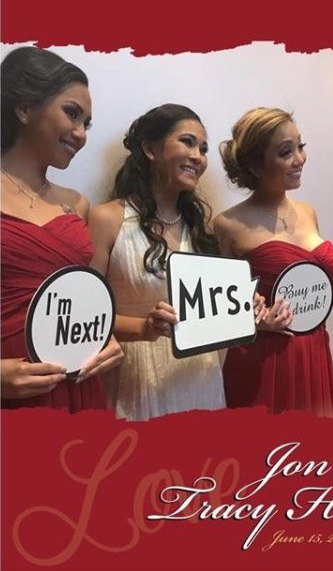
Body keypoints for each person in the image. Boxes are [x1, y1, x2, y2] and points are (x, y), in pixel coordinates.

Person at [214, 107, 333, 416]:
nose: (300, 159)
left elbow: (313, 275)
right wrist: (254, 320)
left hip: (314, 348)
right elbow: (217, 312)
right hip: (265, 358)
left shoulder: (308, 211)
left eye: (301, 146)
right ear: (255, 165)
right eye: (286, 152)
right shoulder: (227, 225)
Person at [1, 46, 123, 411]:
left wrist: (106, 337)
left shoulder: (77, 204)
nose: (81, 133)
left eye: (86, 123)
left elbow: (79, 301)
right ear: (24, 108)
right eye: (72, 113)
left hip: (78, 383)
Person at [89, 103, 228, 421]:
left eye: (203, 148)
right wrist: (144, 327)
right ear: (150, 148)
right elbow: (87, 319)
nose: (198, 156)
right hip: (138, 379)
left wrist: (249, 310)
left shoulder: (201, 230)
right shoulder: (107, 219)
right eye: (188, 142)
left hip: (200, 377)